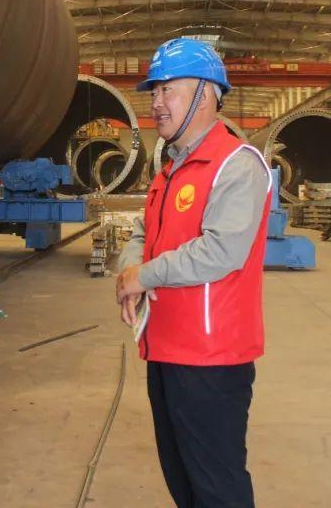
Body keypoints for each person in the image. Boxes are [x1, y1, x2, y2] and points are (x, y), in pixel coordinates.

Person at [115, 37, 272, 508]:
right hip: (165, 348)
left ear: (204, 95)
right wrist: (129, 270)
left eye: (168, 90)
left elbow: (221, 250)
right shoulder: (170, 170)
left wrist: (145, 276)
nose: (156, 103)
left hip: (211, 359)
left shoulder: (236, 165)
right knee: (184, 481)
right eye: (154, 92)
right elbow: (143, 230)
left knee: (217, 488)